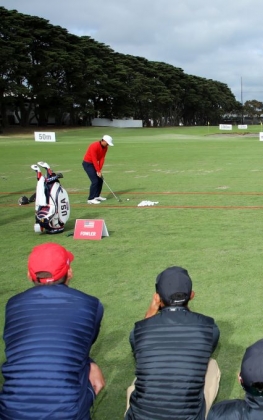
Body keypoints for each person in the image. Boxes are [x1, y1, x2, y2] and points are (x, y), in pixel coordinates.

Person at [0, 243, 105, 420]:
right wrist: (90, 364)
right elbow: (82, 346)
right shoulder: (91, 304)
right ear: (69, 273)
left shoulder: (12, 304)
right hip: (67, 413)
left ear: (29, 274)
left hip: (9, 411)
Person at [125, 266, 221, 420]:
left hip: (141, 417)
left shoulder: (138, 331)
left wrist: (150, 313)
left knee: (141, 377)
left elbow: (140, 350)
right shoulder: (209, 327)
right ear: (191, 295)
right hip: (188, 415)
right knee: (212, 364)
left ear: (157, 298)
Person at [82, 134, 113, 204]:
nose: (107, 145)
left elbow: (102, 158)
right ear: (103, 141)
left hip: (93, 164)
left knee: (100, 180)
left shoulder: (105, 148)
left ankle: (96, 196)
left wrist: (99, 170)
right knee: (95, 181)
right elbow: (94, 159)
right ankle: (90, 199)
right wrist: (98, 171)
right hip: (88, 164)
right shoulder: (94, 146)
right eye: (107, 143)